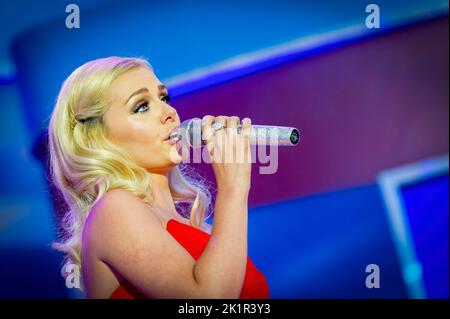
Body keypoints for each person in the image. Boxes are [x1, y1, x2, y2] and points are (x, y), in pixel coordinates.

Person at [48, 56, 270, 299]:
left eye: (163, 98)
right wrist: (233, 189)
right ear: (97, 139)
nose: (169, 112)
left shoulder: (199, 230)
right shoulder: (113, 210)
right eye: (141, 106)